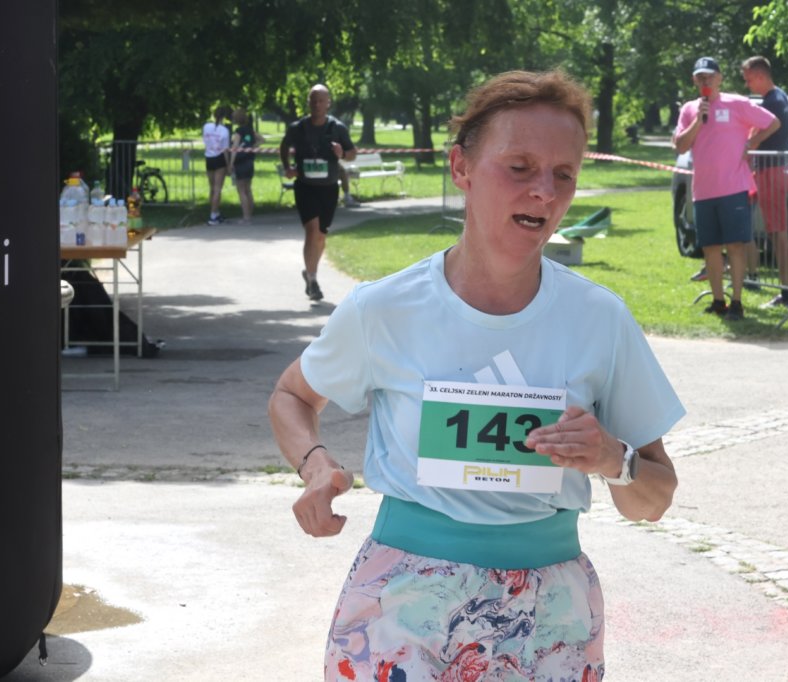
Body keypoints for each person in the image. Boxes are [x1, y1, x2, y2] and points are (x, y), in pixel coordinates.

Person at [268, 69, 684, 679]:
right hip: (402, 604)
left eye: (563, 174)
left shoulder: (600, 319)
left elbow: (654, 498)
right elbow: (292, 395)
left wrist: (612, 459)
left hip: (550, 615)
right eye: (519, 167)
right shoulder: (384, 308)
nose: (544, 191)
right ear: (461, 167)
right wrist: (314, 466)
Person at [674, 57, 780, 321]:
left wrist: (752, 143)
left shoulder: (737, 103)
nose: (705, 80)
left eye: (710, 76)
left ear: (720, 78)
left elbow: (773, 122)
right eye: (700, 76)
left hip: (734, 188)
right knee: (710, 248)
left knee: (735, 246)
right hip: (703, 191)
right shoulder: (689, 109)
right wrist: (698, 121)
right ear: (694, 80)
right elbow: (680, 146)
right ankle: (718, 301)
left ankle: (737, 302)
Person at [280, 84, 357, 302]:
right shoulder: (297, 128)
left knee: (321, 235)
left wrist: (342, 153)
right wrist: (288, 167)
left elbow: (352, 153)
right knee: (312, 231)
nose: (317, 104)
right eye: (313, 100)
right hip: (305, 186)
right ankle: (313, 281)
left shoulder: (337, 128)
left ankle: (309, 271)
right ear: (308, 102)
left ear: (328, 103)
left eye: (321, 100)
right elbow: (284, 146)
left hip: (329, 188)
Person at [742, 56, 788, 308]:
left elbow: (777, 127)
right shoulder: (780, 97)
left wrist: (752, 142)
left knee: (779, 234)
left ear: (760, 76)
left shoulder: (771, 102)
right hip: (777, 171)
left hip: (771, 172)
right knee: (777, 233)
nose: (747, 84)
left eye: (749, 79)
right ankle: (786, 291)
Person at [229, 108, 264, 224]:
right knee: (248, 190)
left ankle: (246, 217)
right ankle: (250, 214)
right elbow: (262, 140)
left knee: (241, 191)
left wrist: (231, 163)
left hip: (240, 162)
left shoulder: (238, 132)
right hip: (250, 161)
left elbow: (234, 148)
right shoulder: (250, 130)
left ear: (236, 119)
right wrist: (252, 147)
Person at [202, 106, 232, 226]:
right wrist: (228, 165)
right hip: (219, 158)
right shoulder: (224, 130)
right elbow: (225, 150)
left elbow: (205, 141)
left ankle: (216, 212)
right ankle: (213, 215)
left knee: (212, 188)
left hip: (209, 157)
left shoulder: (206, 126)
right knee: (218, 189)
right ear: (224, 117)